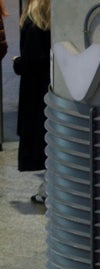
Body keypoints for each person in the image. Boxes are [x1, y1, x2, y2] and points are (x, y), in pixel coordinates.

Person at [14, 0, 50, 204]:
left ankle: (49, 187)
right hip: (52, 88)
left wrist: (18, 63)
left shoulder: (33, 19)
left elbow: (32, 62)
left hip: (35, 92)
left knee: (39, 136)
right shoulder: (60, 18)